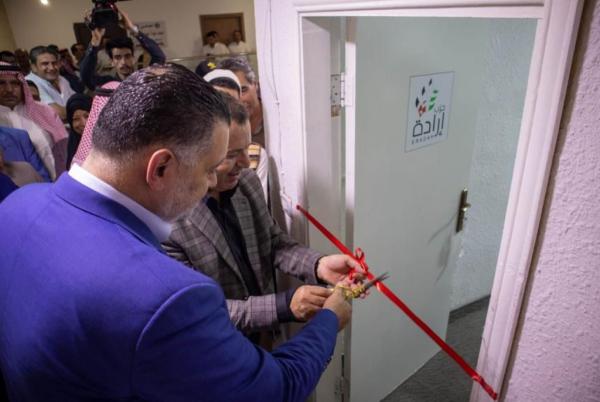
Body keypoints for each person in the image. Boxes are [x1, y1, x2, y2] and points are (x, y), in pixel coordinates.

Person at [0, 63, 353, 401]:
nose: (213, 181)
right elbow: (273, 390)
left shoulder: (16, 206)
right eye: (210, 168)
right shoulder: (165, 296)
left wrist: (316, 263)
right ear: (161, 167)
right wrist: (328, 321)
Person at [163, 95, 361, 348]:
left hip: (265, 338)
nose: (246, 163)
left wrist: (319, 265)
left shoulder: (247, 183)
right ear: (197, 155)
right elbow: (200, 311)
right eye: (231, 154)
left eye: (247, 148)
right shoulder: (168, 224)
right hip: (219, 348)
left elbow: (273, 243)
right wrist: (283, 306)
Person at [0, 62, 68, 180]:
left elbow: (64, 146)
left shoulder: (43, 110)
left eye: (15, 83)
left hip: (60, 179)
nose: (9, 90)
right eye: (1, 83)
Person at [80, 9, 166, 90]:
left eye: (127, 56)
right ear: (112, 61)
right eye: (118, 57)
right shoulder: (107, 83)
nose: (123, 62)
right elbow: (86, 78)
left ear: (133, 58)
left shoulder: (143, 79)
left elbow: (159, 57)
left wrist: (133, 29)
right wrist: (95, 43)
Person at [25, 46, 76, 121]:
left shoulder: (61, 79)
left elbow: (78, 100)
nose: (52, 68)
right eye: (45, 64)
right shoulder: (29, 83)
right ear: (33, 67)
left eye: (54, 63)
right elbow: (58, 114)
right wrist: (77, 110)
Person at [65, 93, 92, 169]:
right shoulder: (72, 146)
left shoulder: (108, 141)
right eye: (76, 119)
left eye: (87, 116)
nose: (84, 123)